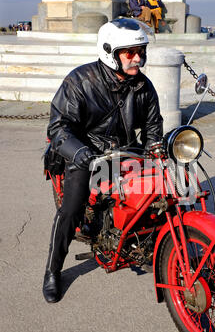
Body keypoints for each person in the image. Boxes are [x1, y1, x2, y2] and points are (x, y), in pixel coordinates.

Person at [43, 18, 163, 303]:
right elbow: (58, 127)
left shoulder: (143, 86)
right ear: (110, 51)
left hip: (125, 152)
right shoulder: (80, 81)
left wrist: (156, 148)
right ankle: (52, 270)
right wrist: (79, 152)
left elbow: (152, 126)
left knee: (161, 192)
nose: (138, 58)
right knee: (71, 210)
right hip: (87, 153)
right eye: (129, 52)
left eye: (140, 51)